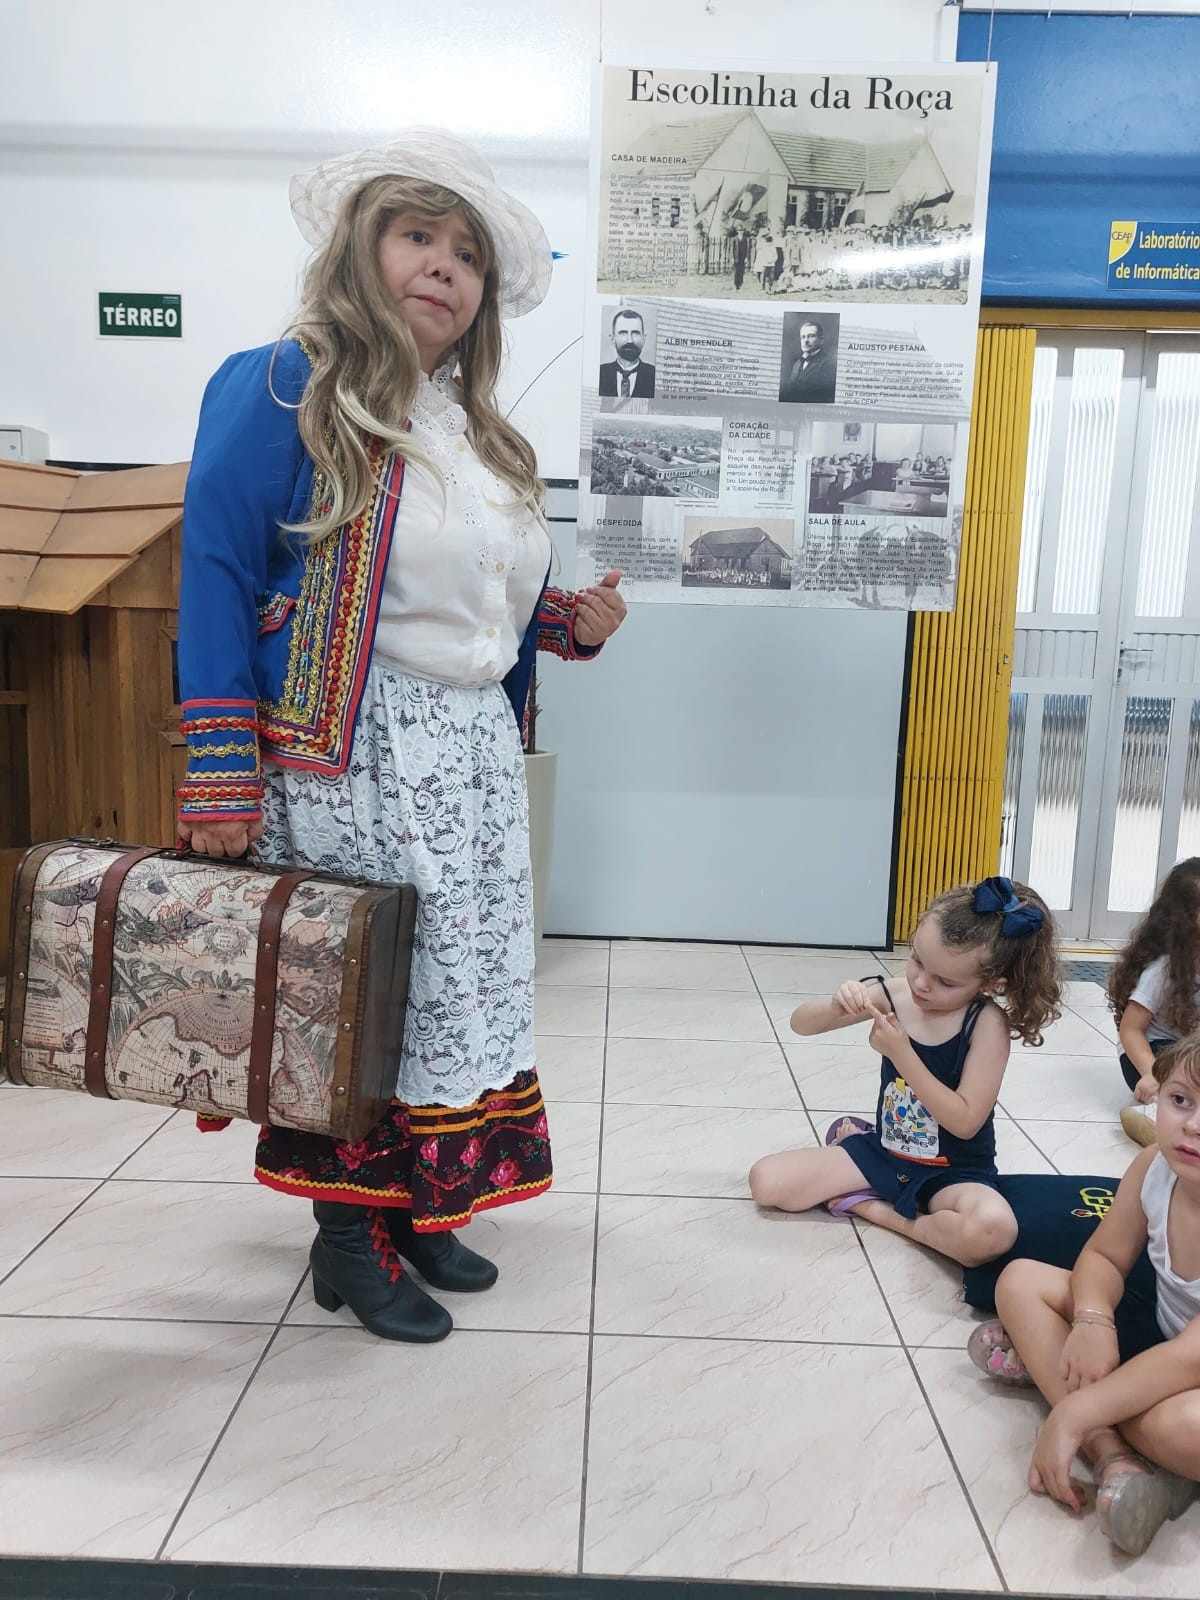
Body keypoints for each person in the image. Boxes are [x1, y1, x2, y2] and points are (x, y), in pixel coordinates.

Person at [176, 128, 628, 1345]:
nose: (444, 266)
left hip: (469, 756)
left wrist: (561, 624)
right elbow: (215, 571)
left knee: (456, 985)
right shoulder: (285, 384)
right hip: (353, 751)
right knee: (362, 996)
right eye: (418, 236)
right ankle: (346, 1236)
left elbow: (470, 600)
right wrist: (217, 769)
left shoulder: (477, 433)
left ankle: (420, 1206)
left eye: (467, 253)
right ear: (359, 250)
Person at [748, 877, 1061, 1268]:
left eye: (945, 981)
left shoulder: (986, 1024)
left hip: (954, 1172)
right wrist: (836, 1005)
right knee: (766, 1182)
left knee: (992, 1231)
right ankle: (867, 1157)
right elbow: (800, 1024)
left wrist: (901, 1053)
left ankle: (874, 1210)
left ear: (989, 984)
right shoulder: (896, 993)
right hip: (886, 1155)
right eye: (917, 960)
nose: (921, 983)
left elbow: (965, 1122)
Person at [967, 1037, 1200, 1557]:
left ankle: (1075, 1396)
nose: (1193, 1125)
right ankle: (1114, 1455)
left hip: (1188, 1365)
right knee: (1020, 1280)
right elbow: (1104, 1258)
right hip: (1168, 1340)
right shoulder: (1154, 1166)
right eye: (1181, 1100)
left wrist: (1073, 1412)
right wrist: (1094, 1320)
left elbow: (1191, 1358)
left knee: (1180, 1426)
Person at [1108, 859, 1200, 1149]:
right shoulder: (1163, 970)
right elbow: (1131, 1030)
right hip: (1154, 1054)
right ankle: (1150, 1119)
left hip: (1192, 1050)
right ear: (1185, 919)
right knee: (1184, 1081)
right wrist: (1151, 1073)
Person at [598, 307, 656, 398]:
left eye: (635, 333)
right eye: (623, 333)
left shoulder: (654, 375)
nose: (630, 340)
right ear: (612, 338)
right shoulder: (600, 373)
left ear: (644, 339)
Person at [780, 318, 837, 404]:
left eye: (811, 336)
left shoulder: (828, 364)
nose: (806, 340)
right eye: (803, 337)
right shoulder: (797, 364)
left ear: (821, 340)